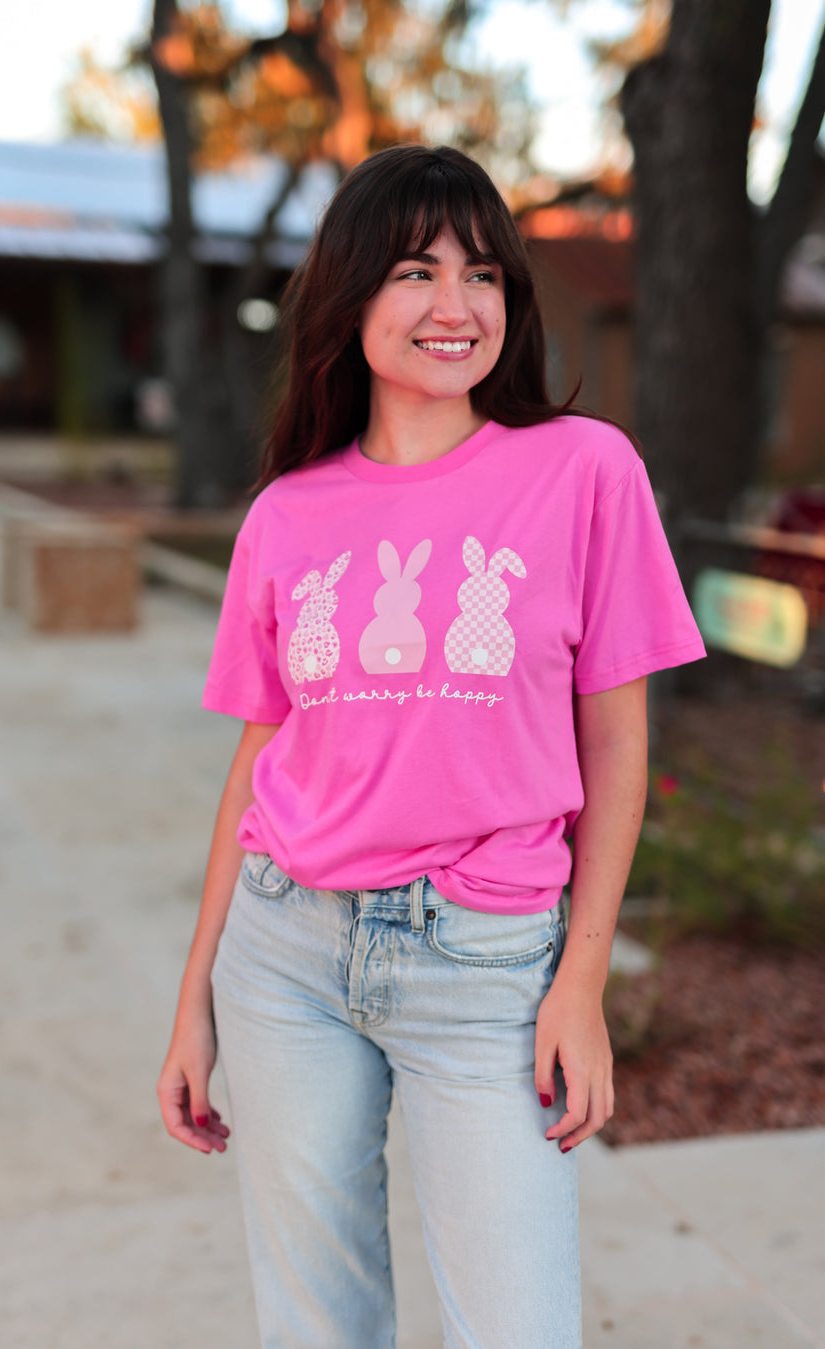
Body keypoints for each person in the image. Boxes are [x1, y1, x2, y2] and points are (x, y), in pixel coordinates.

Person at [157, 144, 705, 1349]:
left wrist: (581, 984)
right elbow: (259, 762)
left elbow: (617, 743)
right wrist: (195, 997)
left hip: (489, 962)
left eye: (483, 273)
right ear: (351, 297)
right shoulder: (287, 511)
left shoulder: (584, 470)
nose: (456, 304)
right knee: (318, 1323)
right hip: (285, 953)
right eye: (416, 270)